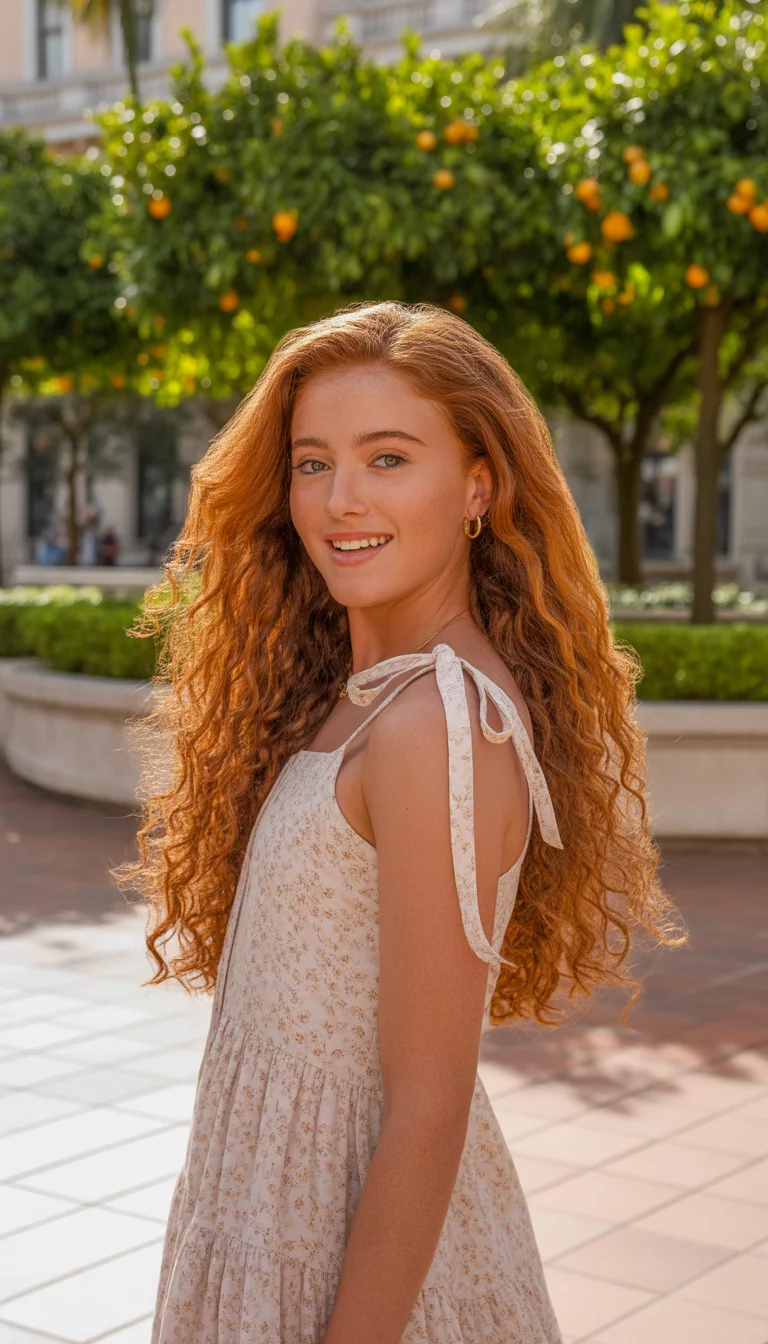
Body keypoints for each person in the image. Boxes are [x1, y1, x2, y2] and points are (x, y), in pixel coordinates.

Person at [120, 301, 679, 1344]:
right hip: (275, 1216)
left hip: (357, 1268)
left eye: (388, 458)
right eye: (312, 462)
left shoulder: (436, 724)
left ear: (478, 487)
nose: (341, 500)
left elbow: (430, 1104)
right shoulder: (369, 692)